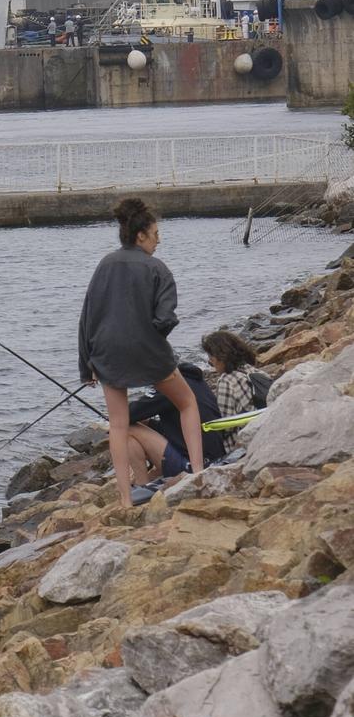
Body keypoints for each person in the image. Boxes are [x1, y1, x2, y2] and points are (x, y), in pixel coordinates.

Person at [77, 196, 205, 510]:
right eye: (156, 234)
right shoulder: (158, 269)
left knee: (118, 424)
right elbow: (165, 318)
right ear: (141, 236)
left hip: (107, 354)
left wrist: (86, 366)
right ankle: (199, 474)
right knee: (187, 402)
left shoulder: (105, 264)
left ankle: (124, 500)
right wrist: (152, 336)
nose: (159, 240)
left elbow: (87, 316)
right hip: (148, 352)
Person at [201, 328, 269, 452]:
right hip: (264, 430)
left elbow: (227, 424)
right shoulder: (256, 371)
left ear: (222, 356)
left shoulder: (226, 381)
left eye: (211, 356)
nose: (210, 361)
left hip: (242, 446)